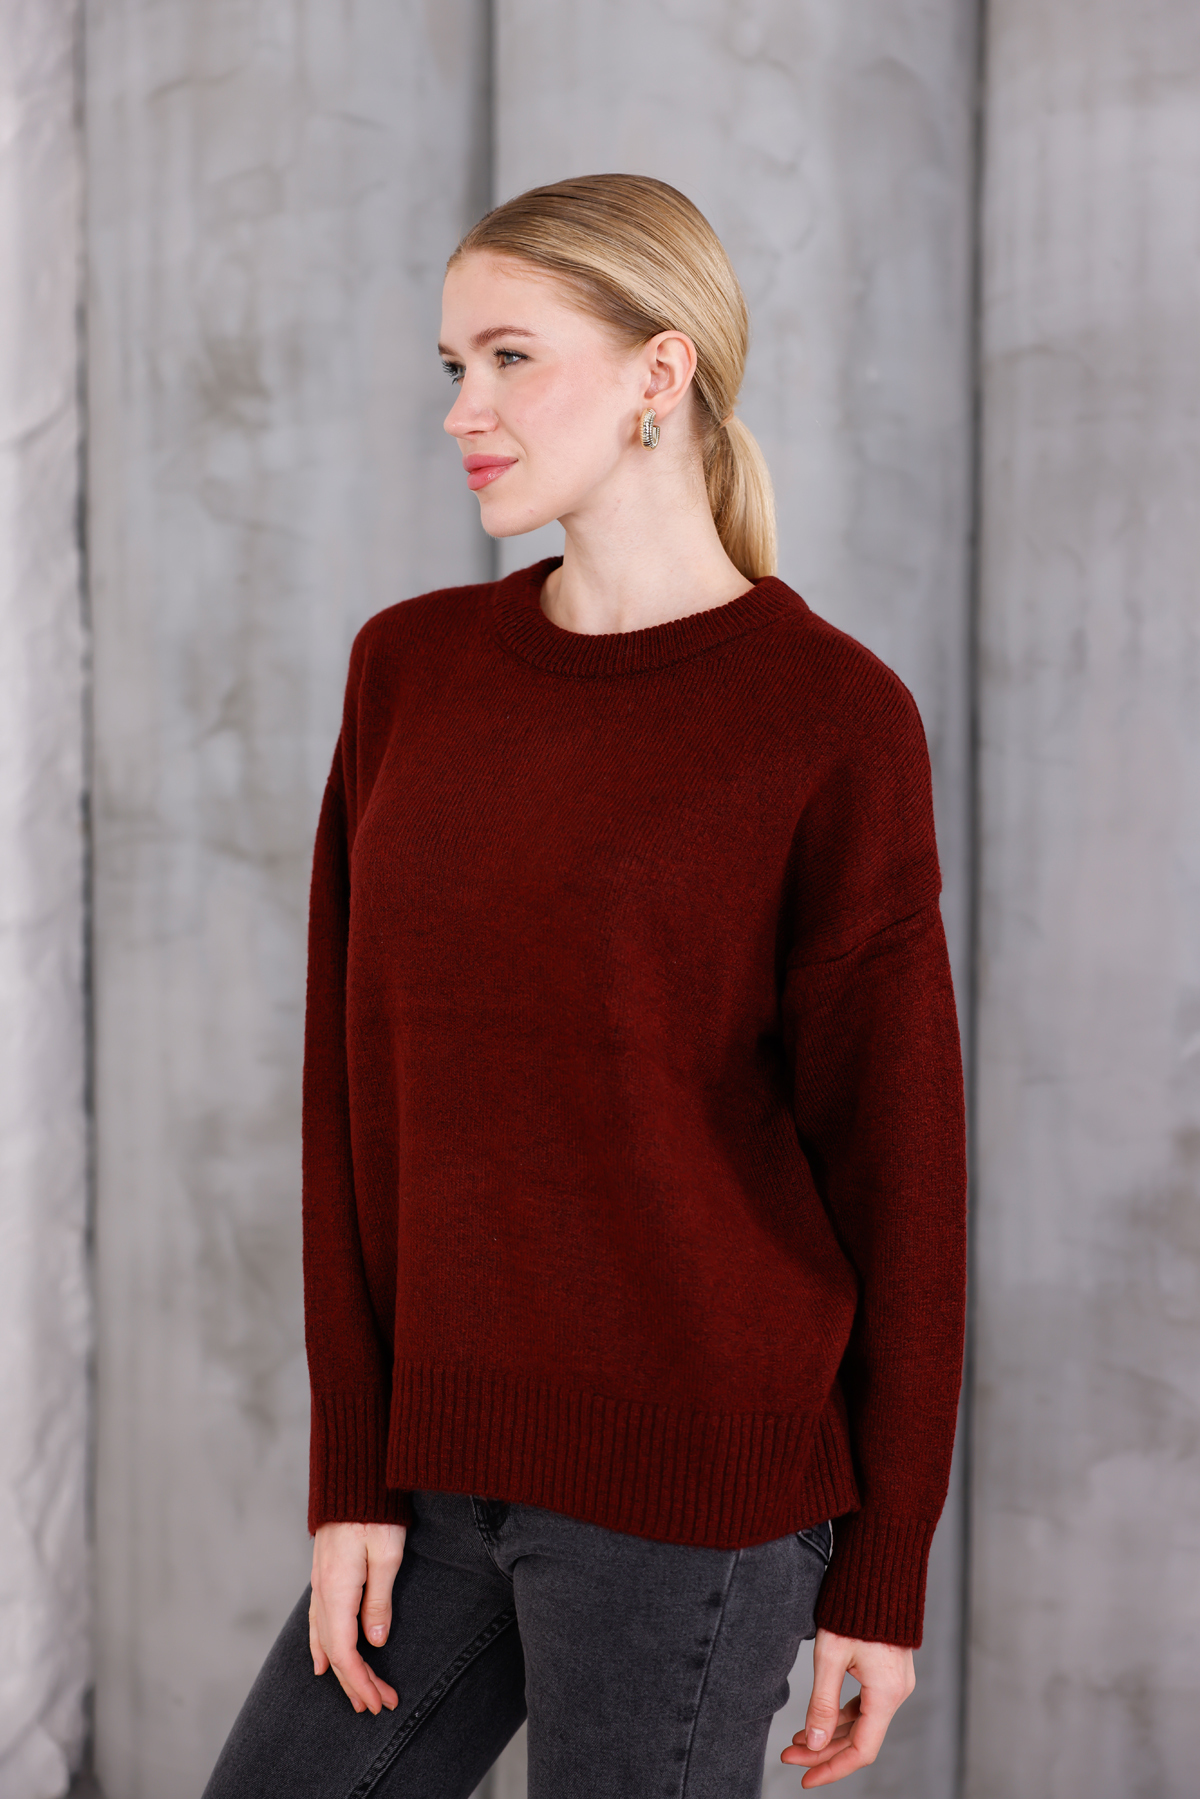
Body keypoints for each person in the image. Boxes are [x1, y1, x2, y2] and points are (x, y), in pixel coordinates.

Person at [204, 173, 966, 1800]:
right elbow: (349, 1100)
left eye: (508, 358)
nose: (463, 411)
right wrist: (352, 1477)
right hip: (436, 1470)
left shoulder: (830, 719)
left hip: (696, 1500)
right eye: (452, 367)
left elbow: (901, 1175)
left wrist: (884, 1572)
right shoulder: (409, 672)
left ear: (657, 374)